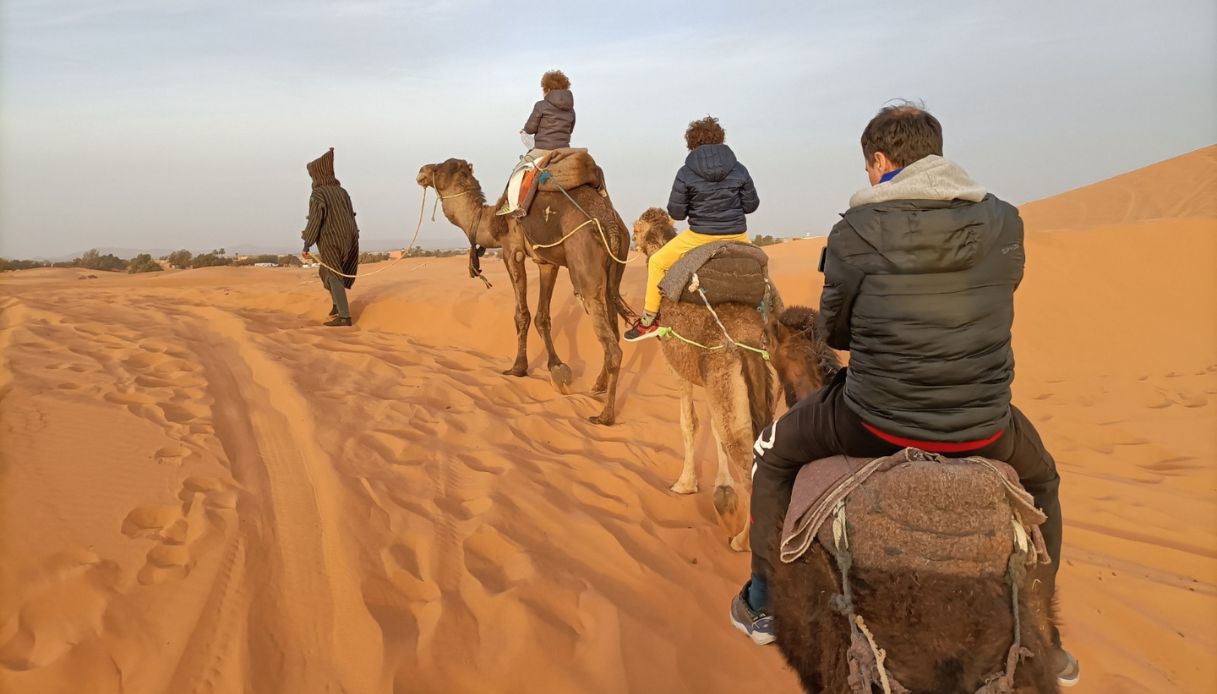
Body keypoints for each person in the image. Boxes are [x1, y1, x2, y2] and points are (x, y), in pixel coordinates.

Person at [728, 102, 1079, 686]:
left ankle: (762, 599)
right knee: (1042, 483)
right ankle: (1050, 636)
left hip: (874, 420)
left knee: (773, 453)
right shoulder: (1006, 221)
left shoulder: (856, 228)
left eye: (870, 166)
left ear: (882, 161)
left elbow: (834, 331)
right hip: (986, 423)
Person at [623, 116, 759, 341]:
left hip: (700, 237)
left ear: (692, 143)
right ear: (720, 138)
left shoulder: (685, 172)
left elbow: (676, 213)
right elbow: (752, 205)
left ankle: (648, 321)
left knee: (657, 263)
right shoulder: (740, 169)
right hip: (737, 235)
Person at [497, 70, 576, 216]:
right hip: (564, 151)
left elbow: (530, 128)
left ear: (547, 88)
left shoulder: (541, 105)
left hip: (543, 149)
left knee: (517, 172)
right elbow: (569, 130)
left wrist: (524, 130)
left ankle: (513, 205)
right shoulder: (571, 110)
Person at [301, 147, 360, 327]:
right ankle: (336, 305)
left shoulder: (318, 194)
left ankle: (344, 316)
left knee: (333, 274)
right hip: (349, 237)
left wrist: (307, 243)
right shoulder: (342, 191)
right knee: (324, 271)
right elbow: (350, 214)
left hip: (330, 239)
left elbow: (316, 219)